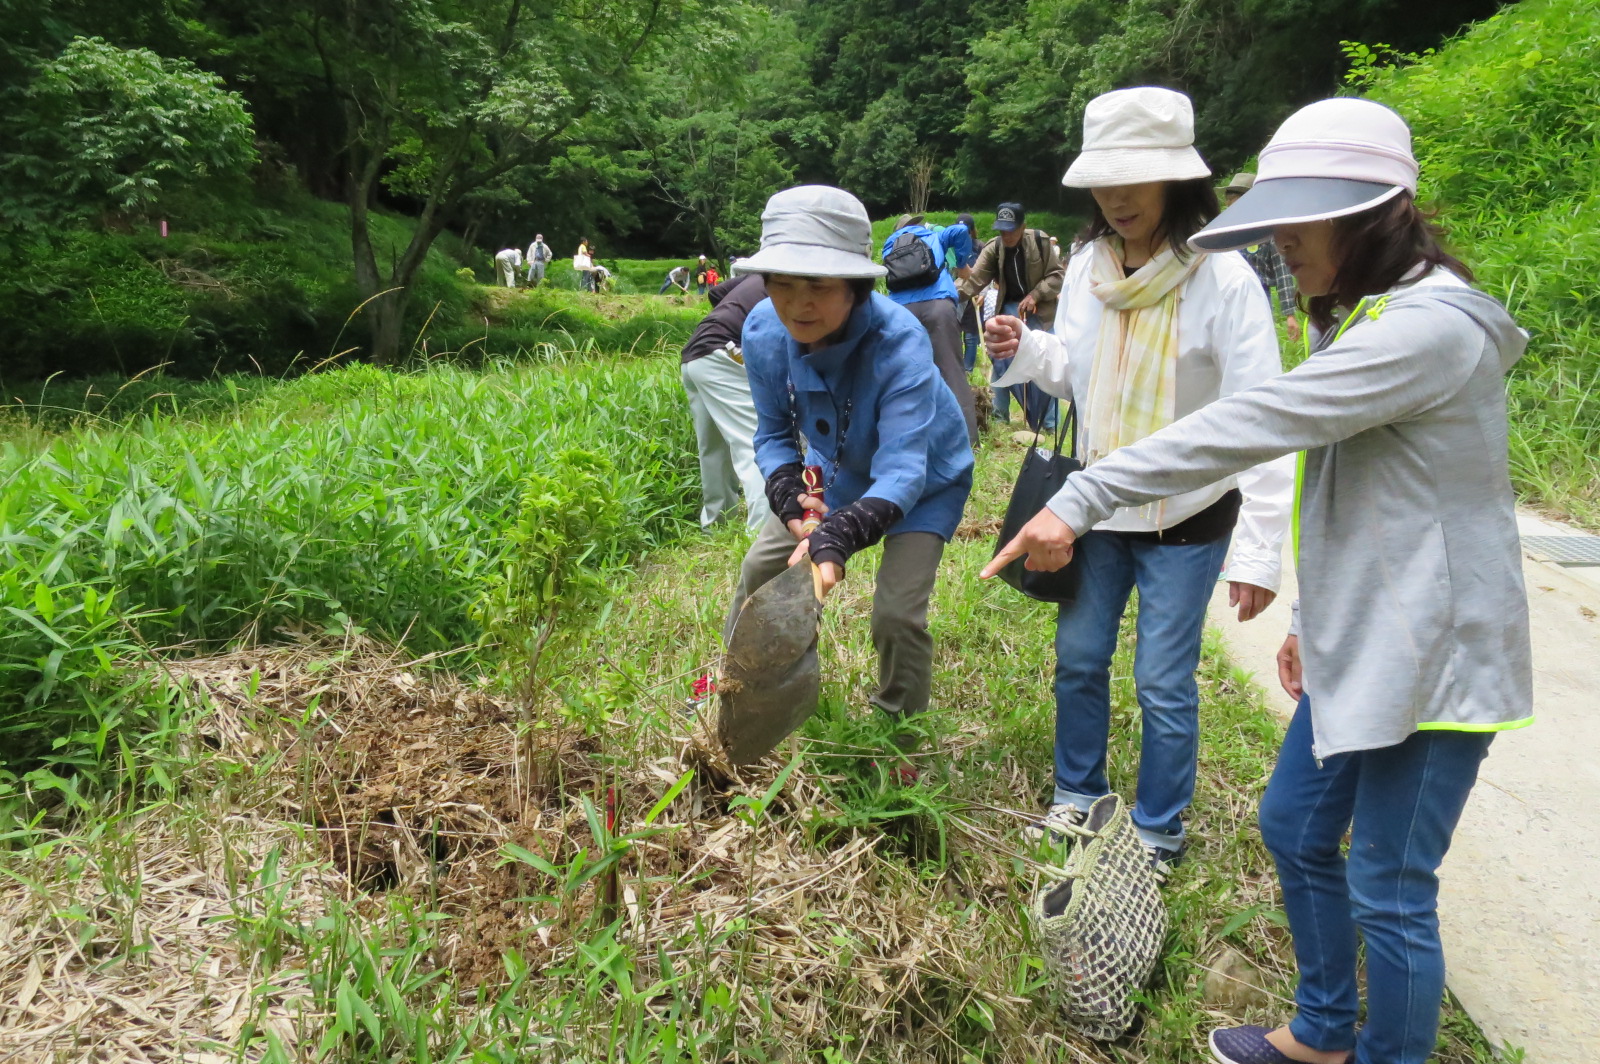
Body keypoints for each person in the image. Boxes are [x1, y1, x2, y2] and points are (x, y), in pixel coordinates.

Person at [985, 97, 1531, 1064]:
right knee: (1292, 827)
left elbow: (1255, 421)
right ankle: (1323, 1030)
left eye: (1296, 217)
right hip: (1363, 640)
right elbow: (1367, 511)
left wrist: (1084, 495)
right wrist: (1314, 621)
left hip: (1437, 660)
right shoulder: (1371, 316)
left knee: (1392, 889)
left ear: (1365, 216)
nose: (1282, 243)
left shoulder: (1425, 330)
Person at [984, 86, 1292, 875]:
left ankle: (1157, 831)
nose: (1116, 198)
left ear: (1178, 181)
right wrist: (1027, 347)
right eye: (1104, 182)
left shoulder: (1222, 277)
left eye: (1137, 179)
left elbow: (1262, 419)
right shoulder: (1087, 264)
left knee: (1162, 680)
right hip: (1094, 510)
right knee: (1080, 661)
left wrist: (1259, 553)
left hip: (1186, 519)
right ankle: (1077, 799)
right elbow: (1077, 379)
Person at [727, 185, 974, 764]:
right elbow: (772, 436)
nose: (798, 304)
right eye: (782, 283)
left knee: (896, 614)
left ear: (857, 286)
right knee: (759, 569)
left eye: (819, 285)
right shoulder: (763, 331)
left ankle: (898, 742)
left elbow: (905, 469)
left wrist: (836, 538)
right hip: (833, 471)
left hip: (924, 480)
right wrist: (790, 499)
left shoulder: (900, 342)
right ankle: (734, 694)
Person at [958, 203, 1065, 434]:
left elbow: (1058, 276)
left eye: (1011, 230)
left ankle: (1049, 424)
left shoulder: (1040, 242)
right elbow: (974, 280)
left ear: (1023, 226)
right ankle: (999, 416)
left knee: (1046, 363)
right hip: (1008, 308)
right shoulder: (994, 248)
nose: (1006, 235)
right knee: (1001, 359)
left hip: (1042, 313)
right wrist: (947, 297)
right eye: (1002, 230)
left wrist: (1036, 294)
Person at [680, 273, 771, 531]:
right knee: (757, 444)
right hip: (726, 352)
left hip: (696, 353)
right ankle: (762, 536)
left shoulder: (760, 273)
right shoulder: (797, 280)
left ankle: (716, 525)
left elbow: (716, 293)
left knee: (713, 448)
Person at [880, 211, 979, 443]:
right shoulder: (930, 235)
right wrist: (963, 263)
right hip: (938, 308)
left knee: (905, 376)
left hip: (901, 313)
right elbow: (961, 231)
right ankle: (968, 439)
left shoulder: (889, 245)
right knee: (952, 370)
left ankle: (909, 438)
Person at [1223, 172, 1302, 343]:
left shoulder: (1267, 234)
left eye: (1239, 202)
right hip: (1224, 298)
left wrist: (1289, 314)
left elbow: (1282, 273)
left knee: (1258, 343)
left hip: (1258, 298)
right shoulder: (1222, 233)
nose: (1233, 208)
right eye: (1230, 203)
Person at [952, 213, 983, 373]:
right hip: (956, 294)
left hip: (975, 292)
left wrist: (983, 291)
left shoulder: (979, 247)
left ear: (972, 231)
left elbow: (986, 272)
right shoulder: (951, 247)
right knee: (954, 332)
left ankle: (968, 370)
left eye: (966, 230)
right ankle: (956, 368)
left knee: (971, 335)